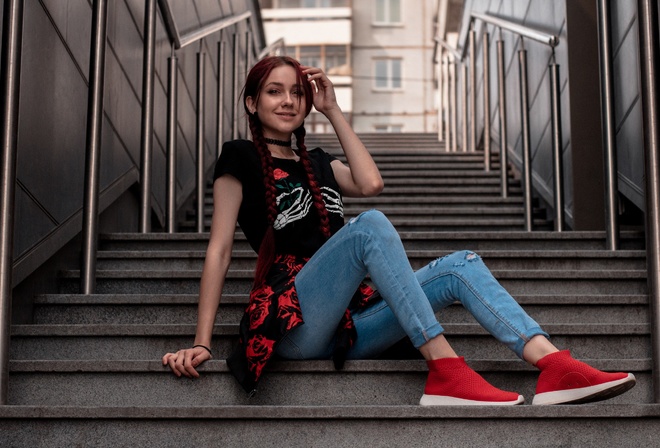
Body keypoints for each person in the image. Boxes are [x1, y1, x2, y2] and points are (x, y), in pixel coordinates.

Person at [163, 55, 636, 406]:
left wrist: (332, 110)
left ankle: (554, 366)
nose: (287, 101)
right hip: (295, 324)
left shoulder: (319, 162)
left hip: (350, 326)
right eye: (273, 91)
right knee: (368, 228)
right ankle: (446, 369)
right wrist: (203, 340)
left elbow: (371, 183)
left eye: (296, 93)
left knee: (460, 266)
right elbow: (220, 250)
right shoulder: (239, 157)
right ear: (252, 101)